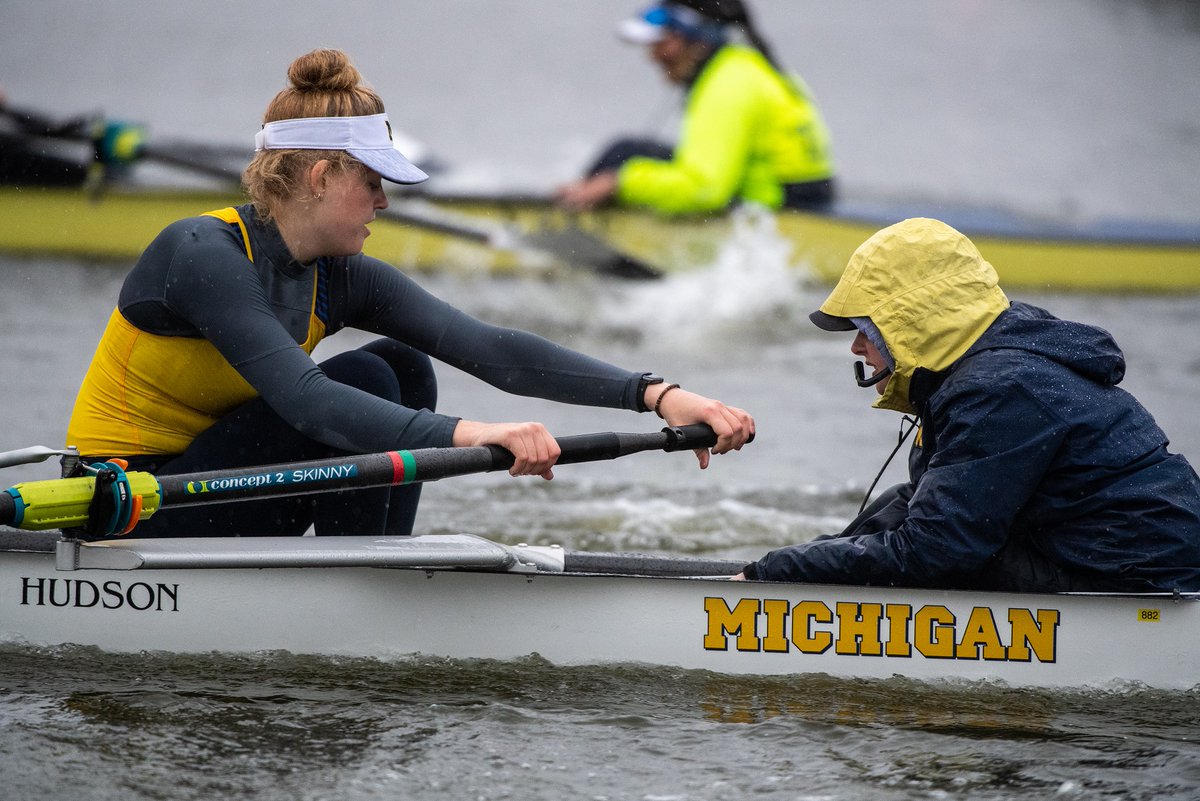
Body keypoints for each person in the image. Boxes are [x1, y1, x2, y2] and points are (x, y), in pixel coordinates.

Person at [65, 48, 754, 539]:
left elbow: (489, 348)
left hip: (215, 486)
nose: (384, 203)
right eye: (373, 183)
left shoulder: (338, 273)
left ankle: (375, 565)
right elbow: (306, 399)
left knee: (403, 364)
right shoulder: (200, 255)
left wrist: (658, 394)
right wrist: (479, 433)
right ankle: (363, 578)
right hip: (133, 500)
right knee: (362, 372)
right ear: (323, 175)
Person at [736, 217, 1200, 593]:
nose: (857, 346)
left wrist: (779, 570)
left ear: (909, 325)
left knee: (943, 559)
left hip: (1140, 587)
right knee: (901, 504)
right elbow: (924, 511)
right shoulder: (989, 370)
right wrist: (790, 569)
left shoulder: (1001, 388)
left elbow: (938, 551)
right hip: (1097, 557)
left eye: (867, 327)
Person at [555, 0, 835, 216]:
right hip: (805, 200)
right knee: (628, 151)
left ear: (698, 40)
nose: (652, 56)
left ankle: (580, 213)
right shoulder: (745, 66)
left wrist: (617, 182)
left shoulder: (728, 84)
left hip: (778, 213)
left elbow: (705, 189)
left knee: (623, 158)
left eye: (663, 43)